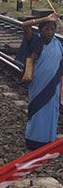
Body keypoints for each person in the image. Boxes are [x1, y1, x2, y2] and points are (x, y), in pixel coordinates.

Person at [19, 13, 62, 150]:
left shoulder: (57, 44)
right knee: (38, 110)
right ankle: (34, 141)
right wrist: (46, 19)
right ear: (41, 29)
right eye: (47, 29)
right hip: (38, 83)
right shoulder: (35, 40)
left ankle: (49, 140)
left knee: (52, 111)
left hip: (54, 84)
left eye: (52, 29)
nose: (50, 32)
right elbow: (24, 25)